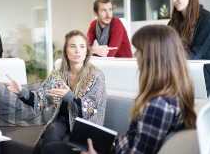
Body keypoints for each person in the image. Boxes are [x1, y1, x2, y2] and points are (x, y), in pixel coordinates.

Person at [44, 25, 197, 154]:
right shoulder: (173, 96)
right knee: (50, 145)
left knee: (50, 150)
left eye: (138, 50)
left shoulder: (158, 106)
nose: (135, 55)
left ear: (153, 57)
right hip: (114, 148)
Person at [3, 30, 107, 154]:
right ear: (66, 51)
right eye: (72, 46)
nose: (77, 50)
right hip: (62, 121)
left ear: (86, 52)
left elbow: (91, 109)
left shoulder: (96, 76)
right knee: (52, 128)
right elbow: (40, 99)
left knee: (42, 147)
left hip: (86, 126)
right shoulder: (57, 75)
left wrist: (69, 96)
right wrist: (21, 91)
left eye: (82, 46)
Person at [169, 0, 210, 97]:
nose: (174, 0)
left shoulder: (208, 19)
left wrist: (167, 56)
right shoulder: (173, 22)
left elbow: (196, 53)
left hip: (202, 79)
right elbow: (165, 46)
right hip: (179, 76)